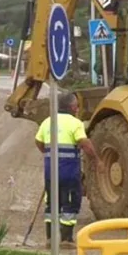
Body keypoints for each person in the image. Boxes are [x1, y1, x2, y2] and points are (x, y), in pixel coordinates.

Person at [35, 92, 97, 244]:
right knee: (70, 203)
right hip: (68, 172)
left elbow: (38, 142)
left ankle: (50, 238)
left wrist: (48, 153)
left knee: (52, 204)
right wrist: (96, 160)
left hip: (50, 172)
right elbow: (85, 143)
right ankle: (66, 239)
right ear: (72, 107)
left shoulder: (47, 122)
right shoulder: (75, 123)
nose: (77, 108)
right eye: (76, 105)